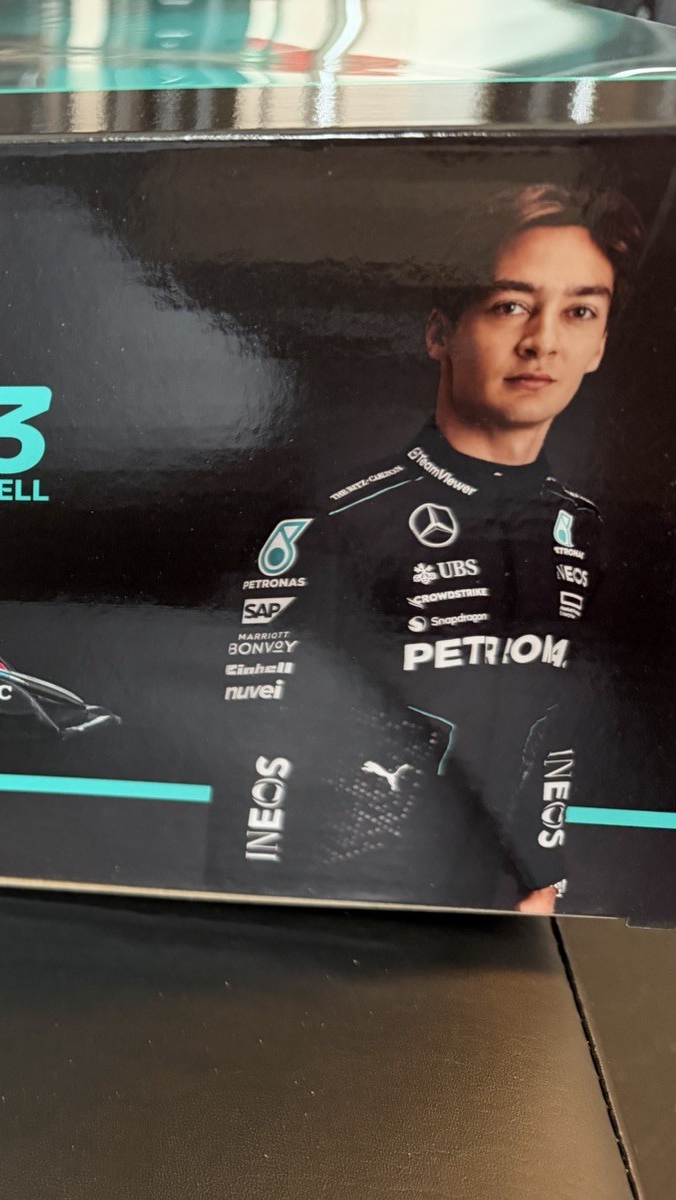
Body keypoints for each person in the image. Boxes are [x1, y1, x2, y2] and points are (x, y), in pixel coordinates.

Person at [215, 183, 643, 913]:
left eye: (580, 312)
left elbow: (563, 728)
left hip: (506, 928)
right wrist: (267, 917)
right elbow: (259, 741)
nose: (543, 341)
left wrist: (544, 879)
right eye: (510, 305)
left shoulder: (587, 532)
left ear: (600, 344)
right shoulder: (341, 521)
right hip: (349, 912)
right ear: (441, 332)